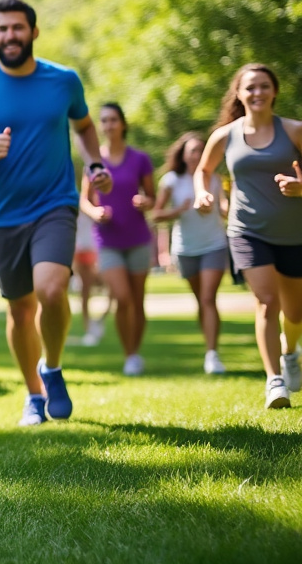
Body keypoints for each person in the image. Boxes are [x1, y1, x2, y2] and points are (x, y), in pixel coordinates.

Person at [0, 0, 112, 427]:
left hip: (55, 204)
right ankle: (34, 395)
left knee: (52, 290)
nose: (10, 36)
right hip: (2, 215)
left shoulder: (64, 80)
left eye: (17, 28)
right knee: (20, 311)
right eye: (2, 29)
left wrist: (95, 164)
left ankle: (51, 366)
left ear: (34, 32)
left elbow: (84, 126)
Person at [193, 63, 302, 408]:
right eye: (250, 87)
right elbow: (203, 170)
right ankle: (274, 381)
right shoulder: (226, 135)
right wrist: (202, 193)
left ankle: (289, 351)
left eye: (264, 86)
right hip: (247, 231)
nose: (257, 93)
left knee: (295, 313)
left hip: (294, 233)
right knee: (267, 300)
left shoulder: (294, 131)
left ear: (275, 91)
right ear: (239, 94)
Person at [79, 103, 155, 376]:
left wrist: (145, 202)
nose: (108, 125)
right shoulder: (94, 162)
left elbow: (152, 197)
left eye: (113, 120)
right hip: (107, 239)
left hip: (138, 237)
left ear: (123, 124)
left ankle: (136, 352)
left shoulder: (140, 159)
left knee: (137, 300)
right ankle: (129, 354)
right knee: (122, 298)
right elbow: (84, 200)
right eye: (103, 121)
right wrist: (95, 212)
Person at [152, 131, 228, 374]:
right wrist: (178, 210)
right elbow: (156, 214)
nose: (196, 154)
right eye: (192, 150)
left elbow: (225, 206)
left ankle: (212, 354)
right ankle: (209, 345)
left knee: (208, 298)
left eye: (200, 150)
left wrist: (225, 208)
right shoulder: (171, 180)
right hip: (186, 249)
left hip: (214, 244)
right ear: (183, 155)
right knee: (201, 300)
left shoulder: (214, 178)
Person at [73, 210, 105, 345]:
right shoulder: (76, 206)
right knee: (85, 289)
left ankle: (99, 320)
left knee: (112, 287)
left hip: (97, 249)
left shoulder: (98, 206)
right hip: (79, 250)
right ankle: (88, 327)